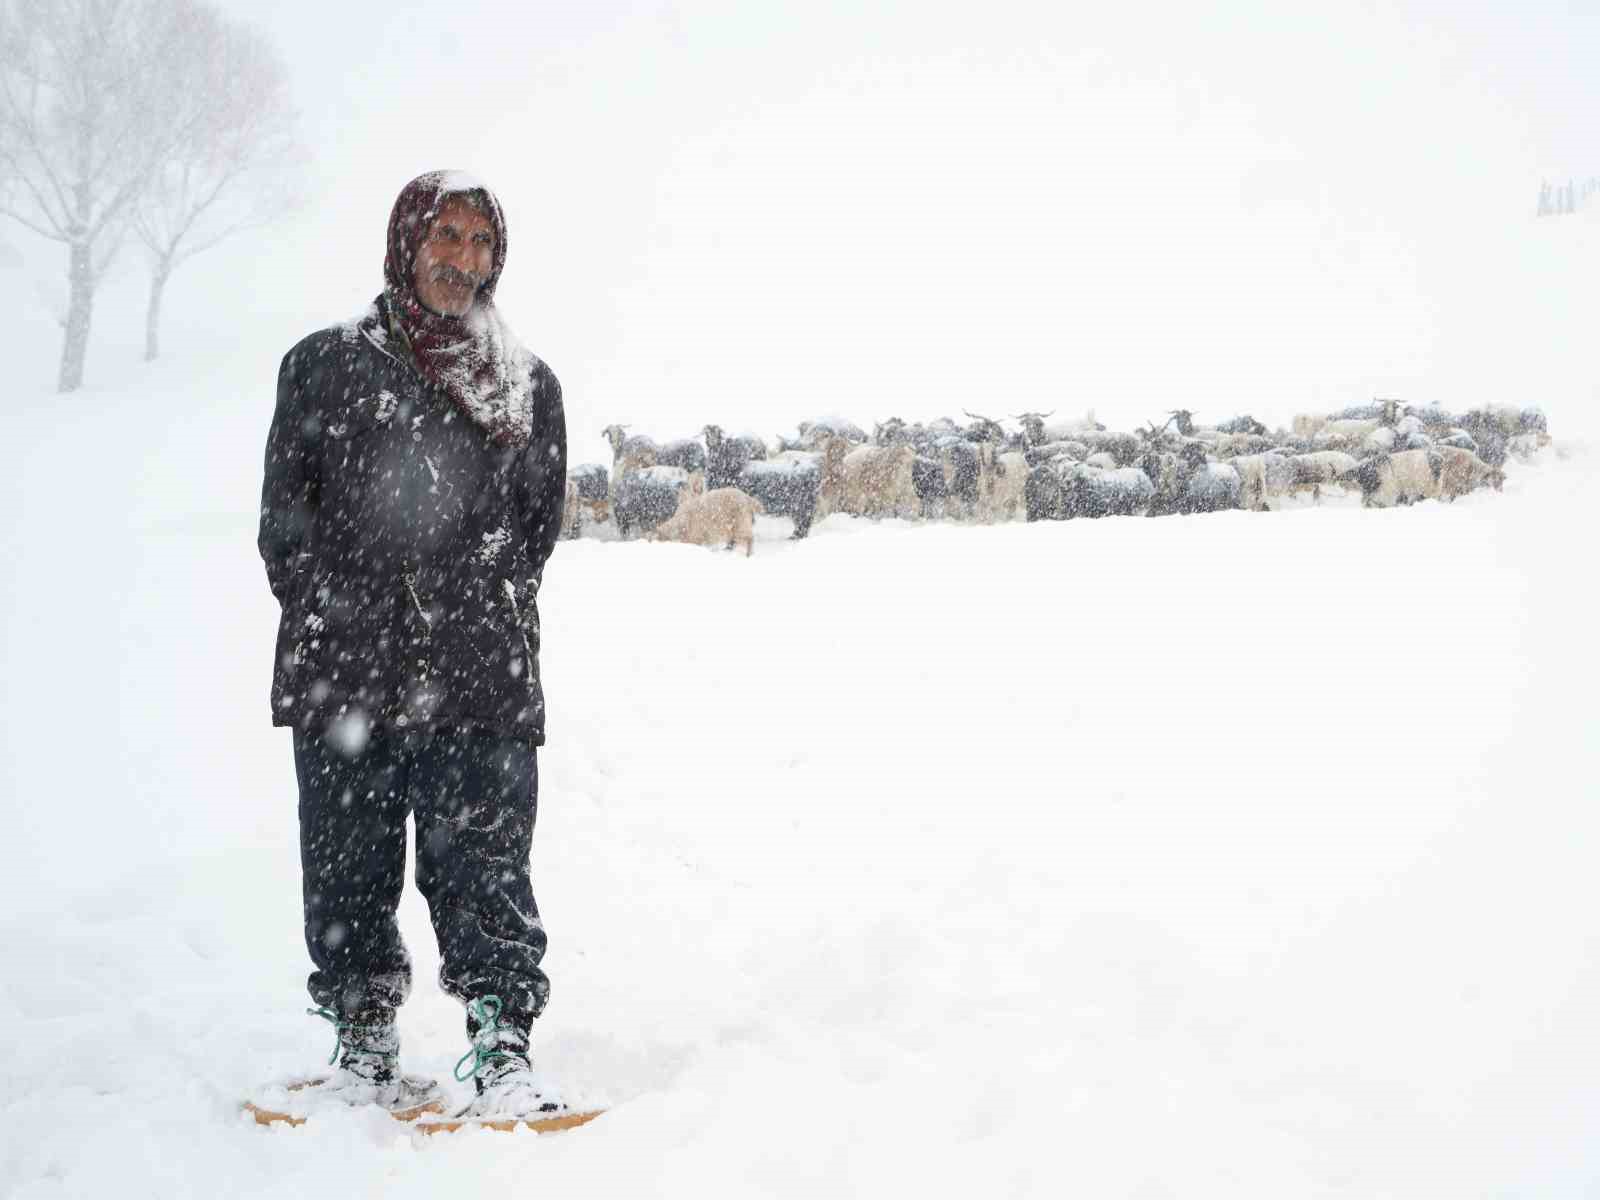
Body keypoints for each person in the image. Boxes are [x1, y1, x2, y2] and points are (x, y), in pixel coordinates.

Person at [257, 171, 567, 1121]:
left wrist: (477, 611)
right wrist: (338, 613)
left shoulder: (528, 384)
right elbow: (285, 522)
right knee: (346, 864)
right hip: (345, 671)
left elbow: (533, 533)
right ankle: (363, 1042)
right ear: (406, 242)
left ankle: (502, 1045)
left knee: (485, 867)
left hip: (477, 673)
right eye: (447, 235)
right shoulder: (323, 365)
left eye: (480, 242)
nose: (462, 259)